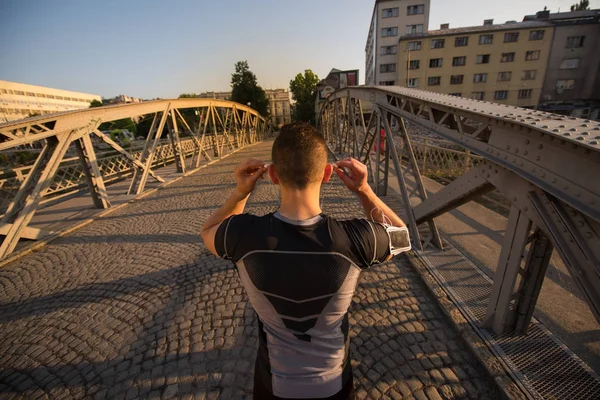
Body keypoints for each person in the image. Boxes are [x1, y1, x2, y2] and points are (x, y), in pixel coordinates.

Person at [201, 122, 407, 399]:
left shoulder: (243, 235)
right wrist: (363, 190)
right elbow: (402, 237)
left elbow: (208, 230)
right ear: (326, 174)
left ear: (272, 175)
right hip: (334, 385)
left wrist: (241, 192)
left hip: (274, 387)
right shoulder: (355, 238)